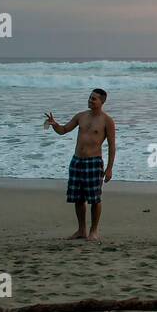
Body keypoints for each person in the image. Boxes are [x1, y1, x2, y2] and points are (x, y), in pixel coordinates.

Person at [45, 88, 116, 242]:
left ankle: (94, 231)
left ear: (102, 102)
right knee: (78, 198)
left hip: (94, 162)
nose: (90, 100)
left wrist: (109, 168)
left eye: (94, 99)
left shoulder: (107, 120)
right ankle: (81, 230)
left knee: (95, 199)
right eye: (90, 97)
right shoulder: (81, 116)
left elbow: (112, 146)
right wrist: (54, 124)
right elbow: (63, 130)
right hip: (77, 161)